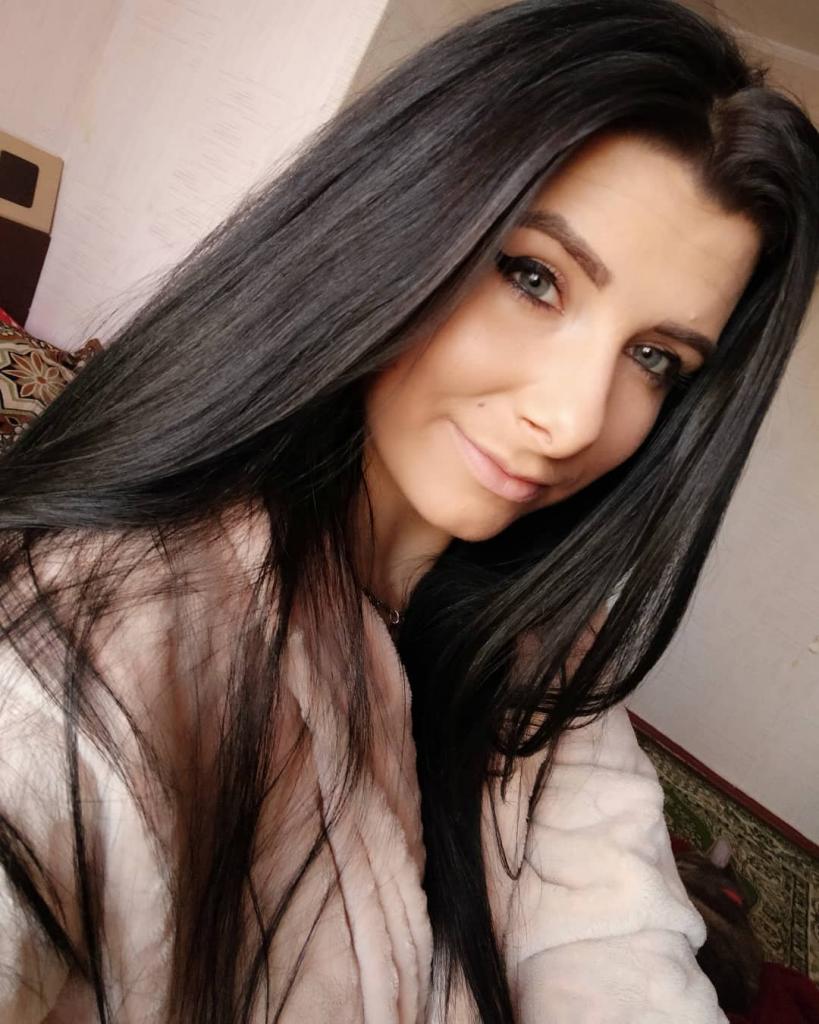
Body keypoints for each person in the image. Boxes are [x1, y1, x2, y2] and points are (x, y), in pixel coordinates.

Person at [0, 0, 817, 1021]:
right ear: (393, 221)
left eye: (654, 357)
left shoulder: (545, 646)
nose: (572, 420)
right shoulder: (95, 646)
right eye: (533, 277)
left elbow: (616, 939)